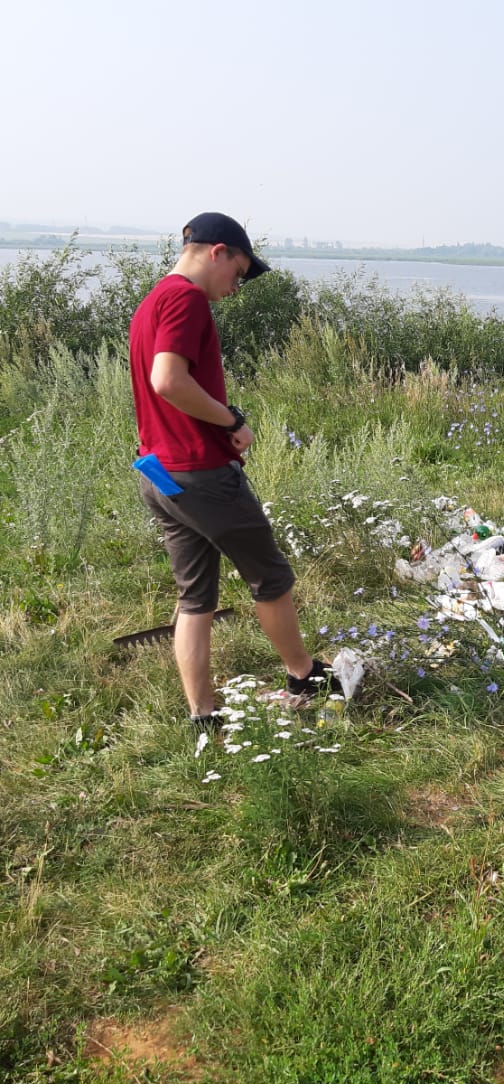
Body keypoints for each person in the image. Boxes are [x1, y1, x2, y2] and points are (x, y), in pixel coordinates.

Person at [129, 211, 333, 728]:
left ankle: (204, 715)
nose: (235, 288)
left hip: (158, 472)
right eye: (238, 273)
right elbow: (167, 380)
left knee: (195, 596)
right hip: (200, 474)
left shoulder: (151, 302)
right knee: (270, 578)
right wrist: (231, 420)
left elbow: (165, 386)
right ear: (217, 251)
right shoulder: (186, 299)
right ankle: (303, 676)